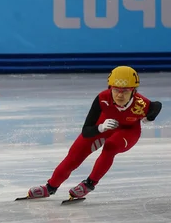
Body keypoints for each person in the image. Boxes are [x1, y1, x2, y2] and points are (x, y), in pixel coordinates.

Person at [25, 66, 163, 200]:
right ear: (110, 88)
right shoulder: (102, 98)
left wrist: (150, 116)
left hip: (128, 131)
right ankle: (50, 187)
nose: (120, 95)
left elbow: (157, 106)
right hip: (104, 124)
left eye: (125, 91)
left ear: (134, 91)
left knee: (111, 147)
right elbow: (86, 131)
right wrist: (100, 128)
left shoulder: (142, 104)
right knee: (75, 154)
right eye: (116, 90)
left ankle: (89, 184)